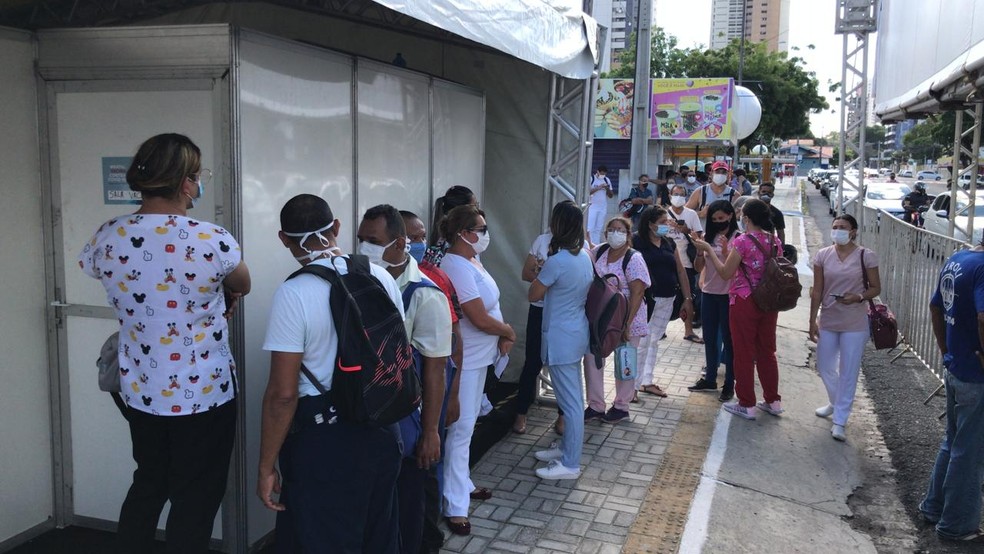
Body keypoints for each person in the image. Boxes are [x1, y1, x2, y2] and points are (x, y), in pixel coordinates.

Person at [78, 133, 251, 553]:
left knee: (149, 482)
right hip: (205, 392)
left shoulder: (107, 236)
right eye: (197, 176)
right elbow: (242, 283)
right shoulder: (211, 238)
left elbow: (97, 271)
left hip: (141, 389)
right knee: (196, 495)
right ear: (186, 182)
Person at [258, 194, 404, 552]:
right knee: (378, 538)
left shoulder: (294, 293)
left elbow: (283, 394)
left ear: (283, 238)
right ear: (337, 227)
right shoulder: (380, 276)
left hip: (325, 442)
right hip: (382, 429)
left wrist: (265, 466)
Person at [358, 205, 452, 554]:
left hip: (408, 428)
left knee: (410, 518)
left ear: (399, 244)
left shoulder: (425, 295)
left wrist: (430, 433)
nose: (364, 247)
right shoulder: (359, 280)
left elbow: (434, 369)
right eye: (361, 239)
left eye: (373, 241)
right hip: (371, 425)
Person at [439, 205, 515, 536]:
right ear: (463, 234)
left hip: (482, 355)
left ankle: (461, 483)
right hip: (466, 357)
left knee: (468, 425)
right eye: (480, 228)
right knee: (461, 428)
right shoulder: (454, 264)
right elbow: (476, 315)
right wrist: (507, 332)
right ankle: (454, 505)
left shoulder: (472, 260)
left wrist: (500, 336)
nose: (485, 234)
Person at [400, 210, 463, 554]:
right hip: (397, 410)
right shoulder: (379, 282)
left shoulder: (431, 283)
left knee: (424, 474)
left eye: (422, 236)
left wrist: (451, 397)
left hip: (426, 405)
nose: (420, 244)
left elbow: (450, 347)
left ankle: (428, 538)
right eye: (413, 237)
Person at [919, 237, 984, 543]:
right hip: (975, 375)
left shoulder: (959, 259)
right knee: (969, 451)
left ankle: (934, 507)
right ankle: (957, 524)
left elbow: (935, 307)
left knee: (953, 442)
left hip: (957, 365)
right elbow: (983, 316)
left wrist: (946, 350)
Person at [694, 198, 783, 421]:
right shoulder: (774, 240)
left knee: (743, 351)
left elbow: (725, 273)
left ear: (748, 218)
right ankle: (773, 400)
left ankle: (746, 403)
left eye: (742, 215)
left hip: (744, 300)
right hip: (769, 301)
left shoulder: (742, 241)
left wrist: (708, 250)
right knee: (767, 351)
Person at [528, 200, 594, 480]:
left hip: (562, 337)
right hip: (574, 332)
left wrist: (539, 272)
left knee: (571, 405)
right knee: (572, 400)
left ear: (558, 226)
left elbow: (533, 294)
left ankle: (570, 463)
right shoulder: (583, 257)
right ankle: (566, 450)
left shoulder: (557, 262)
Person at [808, 214, 880, 442]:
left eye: (843, 227)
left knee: (849, 371)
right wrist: (812, 320)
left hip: (855, 322)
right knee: (825, 365)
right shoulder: (823, 255)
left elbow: (876, 288)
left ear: (853, 231)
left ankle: (840, 419)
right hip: (829, 318)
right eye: (835, 227)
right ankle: (835, 401)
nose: (838, 230)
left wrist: (858, 296)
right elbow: (817, 290)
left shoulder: (865, 256)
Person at [583, 217, 650, 424]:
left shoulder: (634, 258)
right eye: (610, 229)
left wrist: (626, 325)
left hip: (628, 318)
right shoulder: (600, 251)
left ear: (628, 235)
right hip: (602, 319)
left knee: (625, 361)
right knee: (593, 357)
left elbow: (638, 293)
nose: (614, 233)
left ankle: (621, 406)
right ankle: (595, 405)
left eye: (620, 230)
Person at [633, 206, 693, 400]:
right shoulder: (636, 241)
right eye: (662, 223)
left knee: (653, 340)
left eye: (667, 222)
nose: (667, 225)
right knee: (641, 342)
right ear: (650, 224)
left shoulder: (668, 243)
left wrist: (687, 298)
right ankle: (631, 388)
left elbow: (681, 270)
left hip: (668, 299)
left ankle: (646, 381)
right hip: (645, 300)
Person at [688, 200, 739, 402]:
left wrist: (712, 249)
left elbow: (729, 270)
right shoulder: (708, 237)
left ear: (730, 216)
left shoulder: (738, 238)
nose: (718, 222)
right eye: (714, 219)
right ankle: (710, 378)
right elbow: (699, 266)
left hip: (729, 295)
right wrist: (701, 250)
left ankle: (729, 383)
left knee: (729, 340)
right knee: (709, 338)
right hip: (709, 293)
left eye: (722, 218)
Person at [667, 183, 705, 339]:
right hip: (667, 262)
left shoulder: (691, 215)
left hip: (687, 263)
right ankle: (659, 329)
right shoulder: (663, 214)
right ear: (670, 196)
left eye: (681, 195)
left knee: (688, 296)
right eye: (675, 194)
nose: (678, 198)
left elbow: (699, 236)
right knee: (664, 297)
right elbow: (654, 233)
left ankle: (688, 330)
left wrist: (685, 230)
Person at [587, 166, 613, 245]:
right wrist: (599, 187)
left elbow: (611, 195)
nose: (603, 175)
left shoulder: (606, 180)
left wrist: (607, 188)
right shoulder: (592, 179)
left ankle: (596, 245)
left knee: (598, 229)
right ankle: (589, 244)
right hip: (592, 207)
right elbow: (587, 192)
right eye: (601, 174)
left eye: (604, 174)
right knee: (590, 228)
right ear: (597, 172)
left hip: (602, 207)